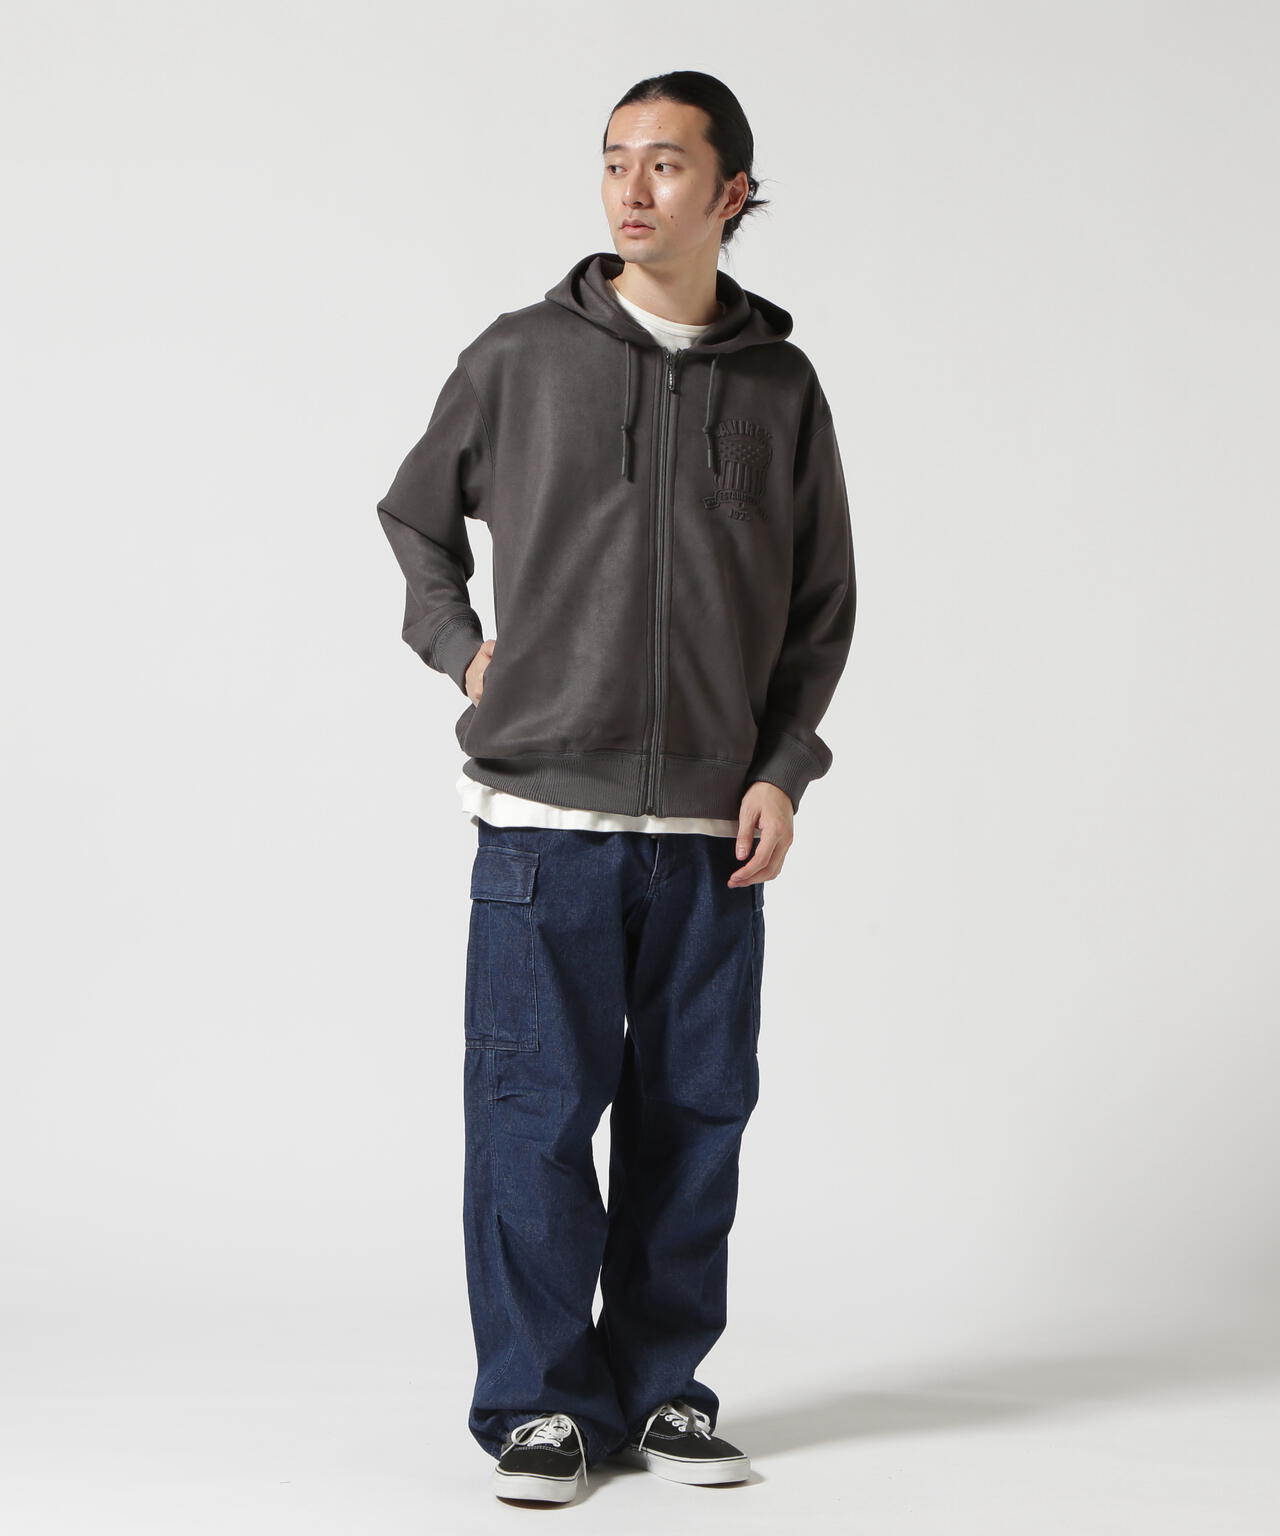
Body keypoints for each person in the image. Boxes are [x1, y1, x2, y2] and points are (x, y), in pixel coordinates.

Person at [376, 70, 856, 1506]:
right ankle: (537, 1405)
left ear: (732, 194)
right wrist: (463, 652)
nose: (632, 189)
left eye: (666, 164)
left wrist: (783, 769)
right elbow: (415, 518)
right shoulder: (523, 355)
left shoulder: (780, 388)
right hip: (545, 828)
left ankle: (662, 1393)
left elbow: (821, 607)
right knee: (531, 1119)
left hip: (712, 830)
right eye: (613, 162)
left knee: (694, 1118)